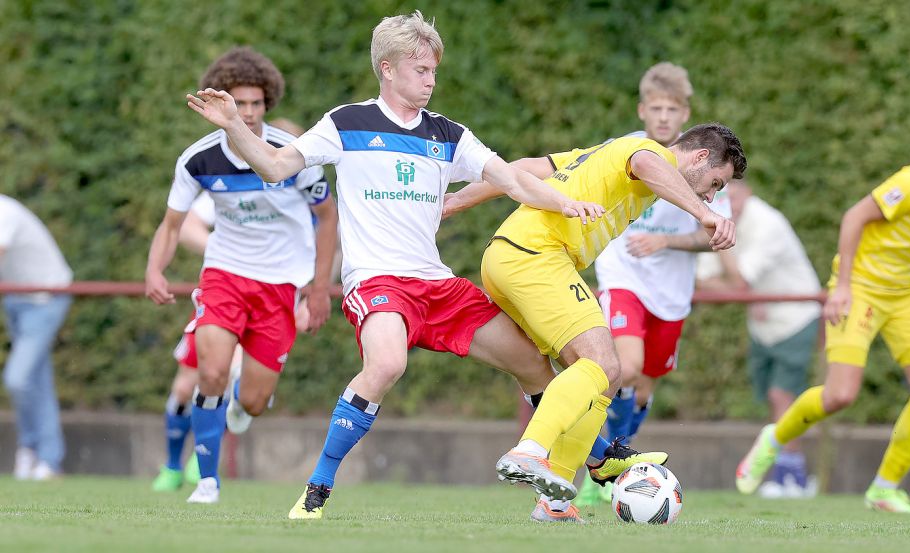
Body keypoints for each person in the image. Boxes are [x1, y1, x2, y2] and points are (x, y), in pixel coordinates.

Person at [184, 11, 607, 521]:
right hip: (378, 281)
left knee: (535, 365)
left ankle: (562, 489)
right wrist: (234, 124)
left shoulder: (449, 134)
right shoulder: (346, 123)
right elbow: (276, 167)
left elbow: (512, 179)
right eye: (421, 70)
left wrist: (563, 204)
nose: (431, 81)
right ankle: (316, 490)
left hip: (438, 284)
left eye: (434, 71)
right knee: (386, 365)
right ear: (388, 69)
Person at [446, 122, 746, 517]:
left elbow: (517, 169)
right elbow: (647, 162)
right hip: (537, 257)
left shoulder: (596, 155)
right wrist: (703, 213)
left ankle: (557, 500)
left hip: (503, 258)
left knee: (596, 378)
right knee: (604, 364)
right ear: (702, 156)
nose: (710, 193)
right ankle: (530, 451)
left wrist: (451, 204)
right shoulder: (647, 152)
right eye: (715, 183)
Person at [735, 107, 910, 513]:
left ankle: (884, 488)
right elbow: (854, 217)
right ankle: (774, 439)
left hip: (909, 295)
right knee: (840, 395)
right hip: (862, 287)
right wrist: (844, 286)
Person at [146, 47, 339, 505]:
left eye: (257, 104)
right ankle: (207, 481)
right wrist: (155, 268)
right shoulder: (197, 160)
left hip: (280, 287)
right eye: (240, 103)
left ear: (267, 103)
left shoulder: (294, 157)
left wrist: (318, 291)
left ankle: (239, 401)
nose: (248, 113)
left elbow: (328, 219)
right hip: (225, 275)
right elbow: (173, 224)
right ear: (221, 104)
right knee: (208, 370)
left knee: (252, 402)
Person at [573, 62, 734, 508]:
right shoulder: (624, 150)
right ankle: (596, 468)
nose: (663, 117)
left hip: (670, 295)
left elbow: (715, 233)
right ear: (643, 110)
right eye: (656, 108)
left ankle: (616, 457)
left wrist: (666, 240)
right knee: (626, 364)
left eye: (673, 109)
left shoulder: (705, 169)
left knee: (643, 385)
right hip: (622, 278)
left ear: (685, 116)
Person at [151, 120, 316, 493]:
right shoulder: (237, 180)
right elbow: (188, 224)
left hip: (274, 296)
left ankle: (203, 459)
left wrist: (309, 297)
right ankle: (173, 465)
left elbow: (325, 253)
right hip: (226, 290)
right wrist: (229, 255)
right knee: (185, 386)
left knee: (239, 384)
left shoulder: (305, 192)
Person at [696, 179, 821, 498]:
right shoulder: (722, 222)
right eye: (720, 198)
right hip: (762, 324)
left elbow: (737, 282)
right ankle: (790, 472)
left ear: (748, 193)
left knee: (783, 397)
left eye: (732, 197)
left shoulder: (768, 223)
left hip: (796, 317)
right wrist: (752, 296)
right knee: (773, 399)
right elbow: (705, 278)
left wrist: (745, 290)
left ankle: (792, 477)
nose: (726, 204)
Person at [0, 194, 73, 480]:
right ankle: (45, 457)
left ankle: (36, 450)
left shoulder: (4, 212)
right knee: (35, 379)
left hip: (47, 298)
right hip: (15, 299)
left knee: (18, 378)